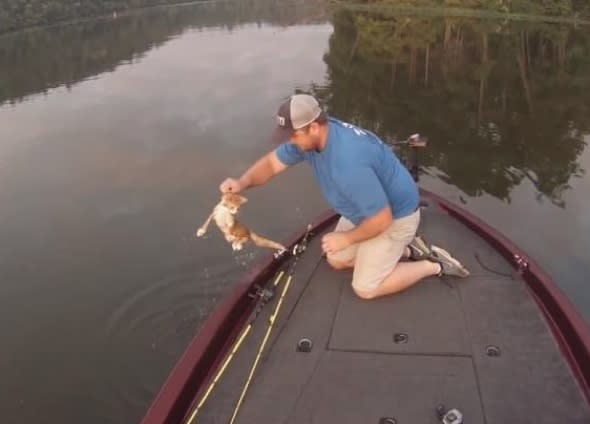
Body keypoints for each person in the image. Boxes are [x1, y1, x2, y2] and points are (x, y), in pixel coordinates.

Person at [219, 94, 469, 300]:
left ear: (314, 127)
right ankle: (402, 250)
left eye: (293, 136)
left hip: (396, 217)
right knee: (336, 259)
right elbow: (272, 164)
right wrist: (242, 183)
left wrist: (347, 238)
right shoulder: (315, 136)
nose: (290, 143)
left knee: (366, 288)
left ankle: (433, 265)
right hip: (362, 210)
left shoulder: (348, 164)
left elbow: (382, 220)